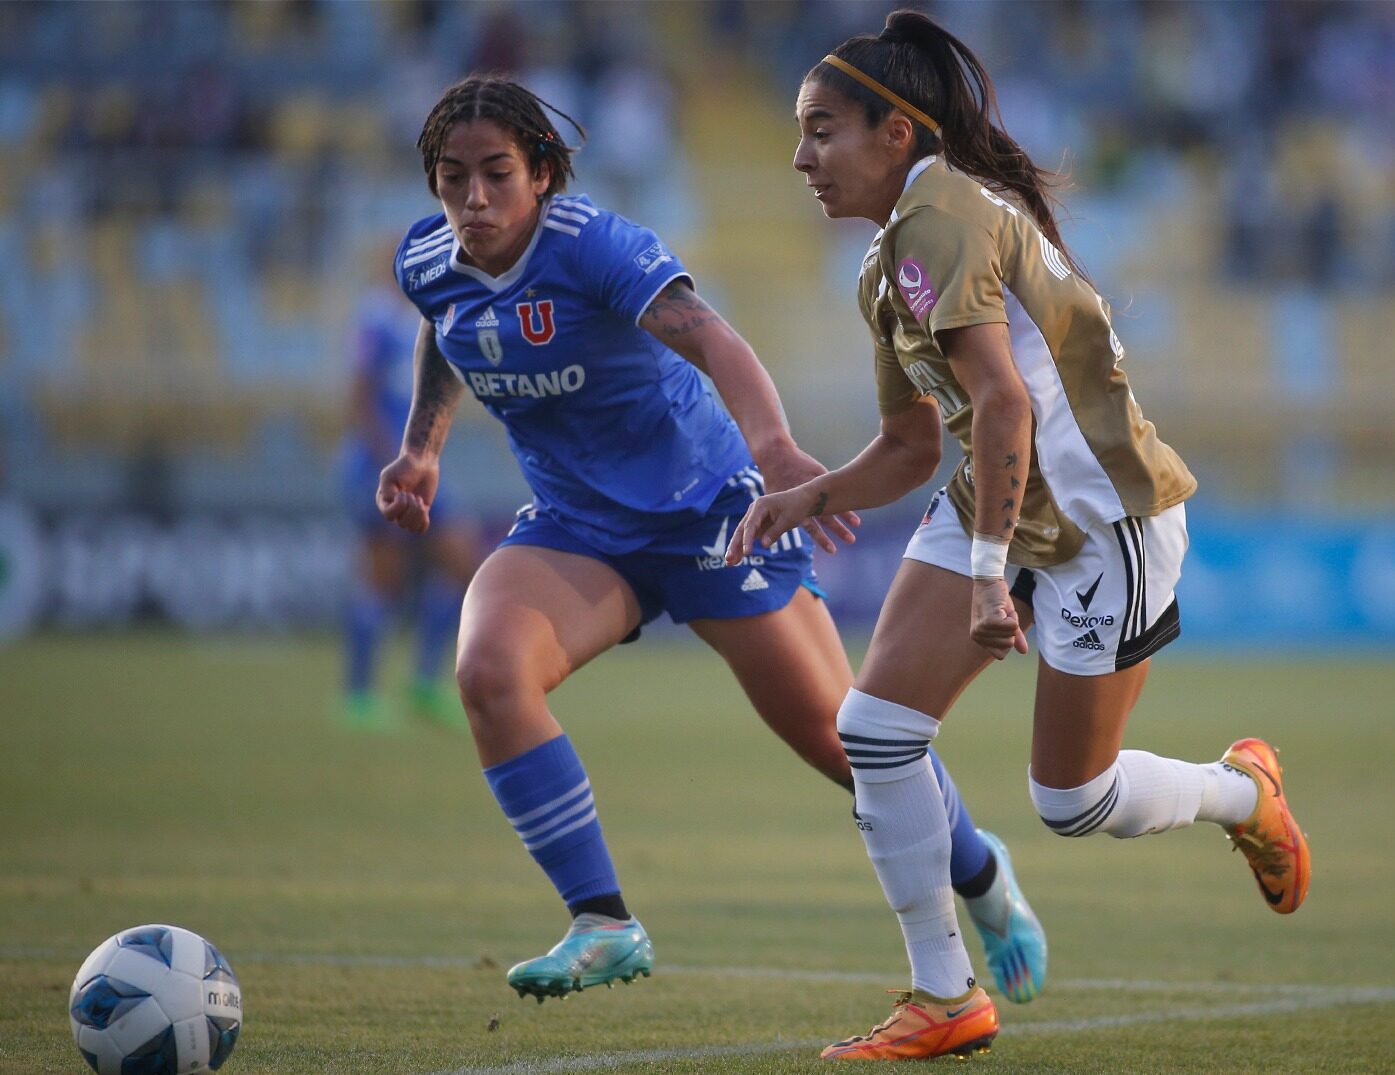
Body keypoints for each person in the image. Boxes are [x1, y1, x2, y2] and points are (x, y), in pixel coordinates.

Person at [377, 75, 1046, 1004]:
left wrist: (773, 451)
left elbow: (713, 339)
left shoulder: (593, 246)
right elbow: (446, 331)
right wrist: (421, 450)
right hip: (580, 526)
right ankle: (603, 919)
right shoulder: (430, 260)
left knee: (845, 741)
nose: (474, 200)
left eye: (496, 174)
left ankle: (979, 872)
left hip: (712, 512)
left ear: (541, 174)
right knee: (489, 671)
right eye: (453, 179)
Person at [729, 11, 1310, 1060]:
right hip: (999, 501)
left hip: (1099, 520)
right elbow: (910, 448)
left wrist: (993, 576)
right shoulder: (885, 263)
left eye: (822, 130)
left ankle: (1242, 792)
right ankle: (944, 996)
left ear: (894, 133)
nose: (800, 156)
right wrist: (800, 499)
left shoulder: (942, 218)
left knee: (1071, 802)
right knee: (873, 732)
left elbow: (1004, 407)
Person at [335, 263, 481, 731]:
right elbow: (360, 398)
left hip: (421, 467)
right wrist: (389, 462)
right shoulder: (375, 319)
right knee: (385, 580)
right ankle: (358, 697)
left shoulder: (431, 317)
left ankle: (423, 683)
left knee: (464, 564)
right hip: (379, 467)